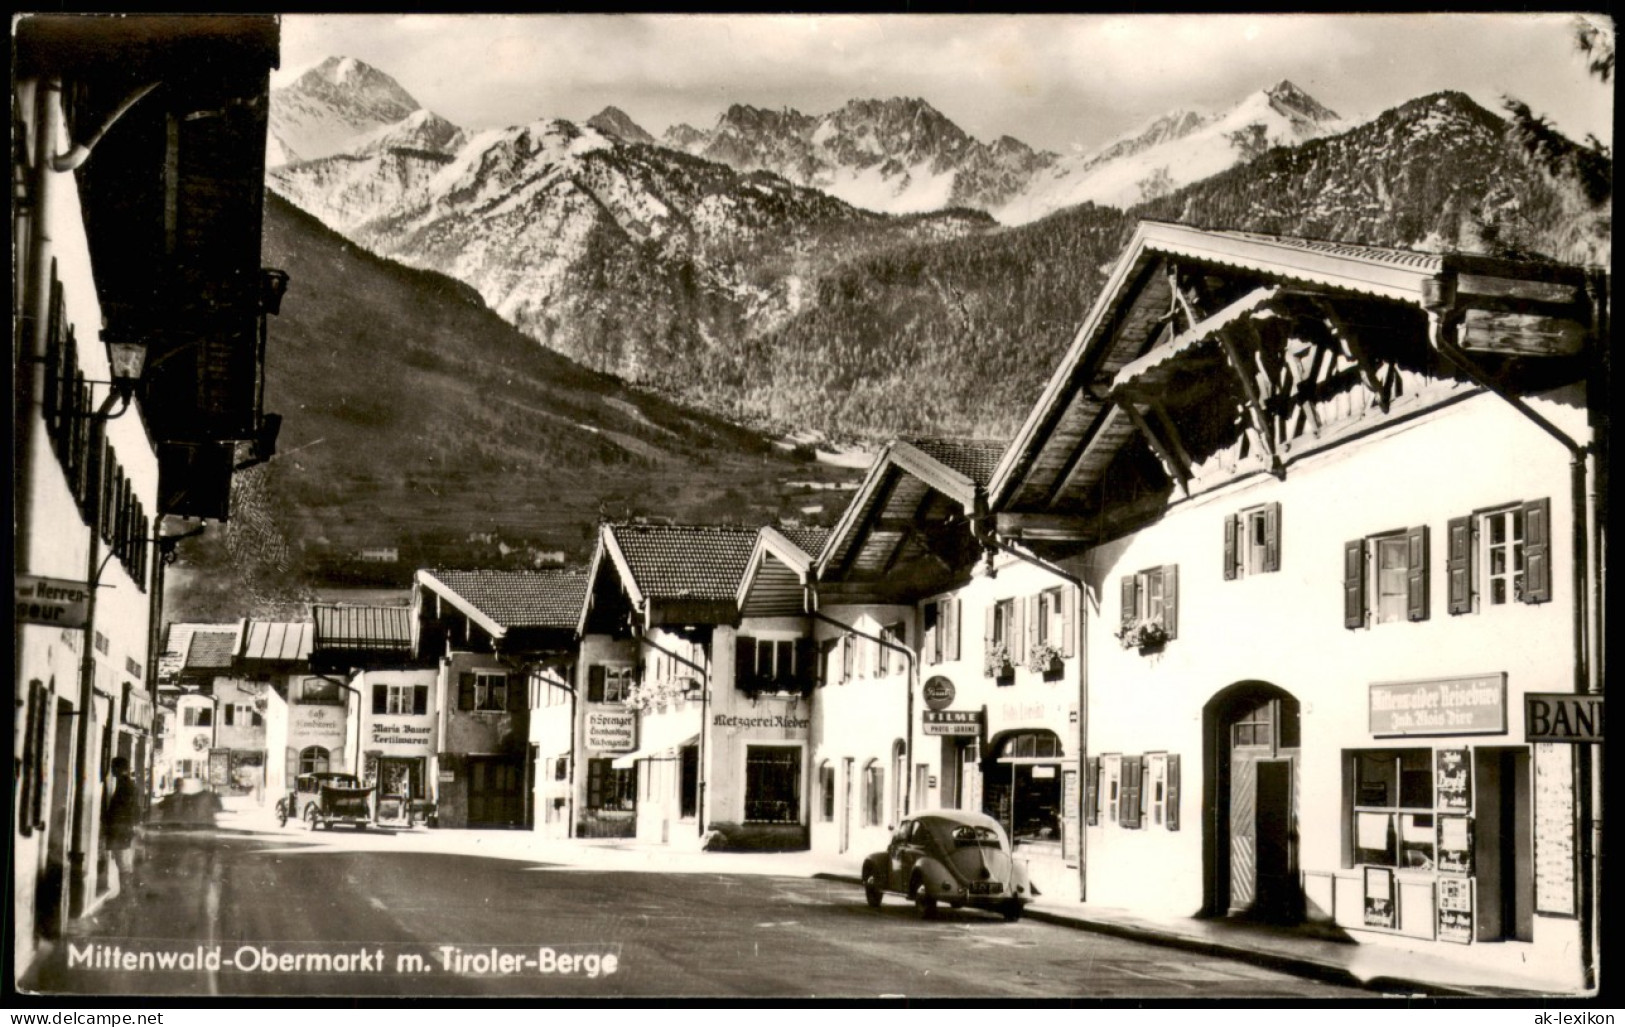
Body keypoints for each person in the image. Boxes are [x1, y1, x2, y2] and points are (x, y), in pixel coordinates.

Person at [103, 757, 143, 889]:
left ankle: (126, 896)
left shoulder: (125, 787)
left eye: (113, 767)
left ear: (119, 769)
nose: (112, 771)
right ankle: (125, 894)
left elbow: (123, 811)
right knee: (124, 864)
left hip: (121, 832)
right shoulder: (127, 785)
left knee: (124, 866)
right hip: (124, 831)